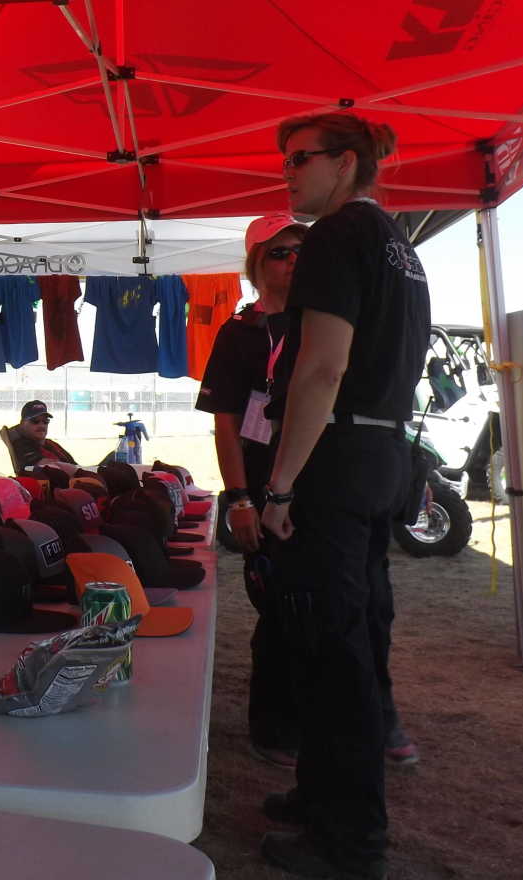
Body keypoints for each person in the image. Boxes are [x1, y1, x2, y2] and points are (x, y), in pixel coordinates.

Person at [257, 113, 431, 880]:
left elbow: (322, 370)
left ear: (347, 162)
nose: (288, 171)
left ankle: (348, 840)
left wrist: (280, 485)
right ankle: (320, 793)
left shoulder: (335, 236)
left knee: (333, 649)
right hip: (383, 451)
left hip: (338, 456)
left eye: (301, 158)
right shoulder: (400, 245)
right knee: (345, 632)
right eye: (286, 160)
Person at [196, 214, 307, 768]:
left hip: (323, 489)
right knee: (278, 607)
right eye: (279, 253)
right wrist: (238, 498)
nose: (293, 261)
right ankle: (274, 726)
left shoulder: (324, 324)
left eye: (300, 251)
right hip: (262, 493)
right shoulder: (239, 333)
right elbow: (226, 424)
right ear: (256, 265)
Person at [7, 400, 79, 471]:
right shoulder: (21, 446)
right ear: (22, 423)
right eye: (35, 421)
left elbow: (75, 465)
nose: (42, 425)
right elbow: (45, 466)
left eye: (45, 421)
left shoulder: (51, 444)